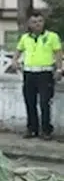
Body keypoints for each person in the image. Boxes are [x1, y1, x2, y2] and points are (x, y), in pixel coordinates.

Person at [10, 10, 62, 139]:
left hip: (45, 74)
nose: (37, 24)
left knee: (45, 102)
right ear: (29, 23)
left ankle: (46, 130)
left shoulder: (52, 37)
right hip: (29, 74)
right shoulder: (25, 38)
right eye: (34, 22)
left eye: (40, 21)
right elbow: (18, 50)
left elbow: (58, 54)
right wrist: (14, 61)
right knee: (30, 102)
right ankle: (32, 129)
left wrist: (59, 69)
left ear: (44, 22)